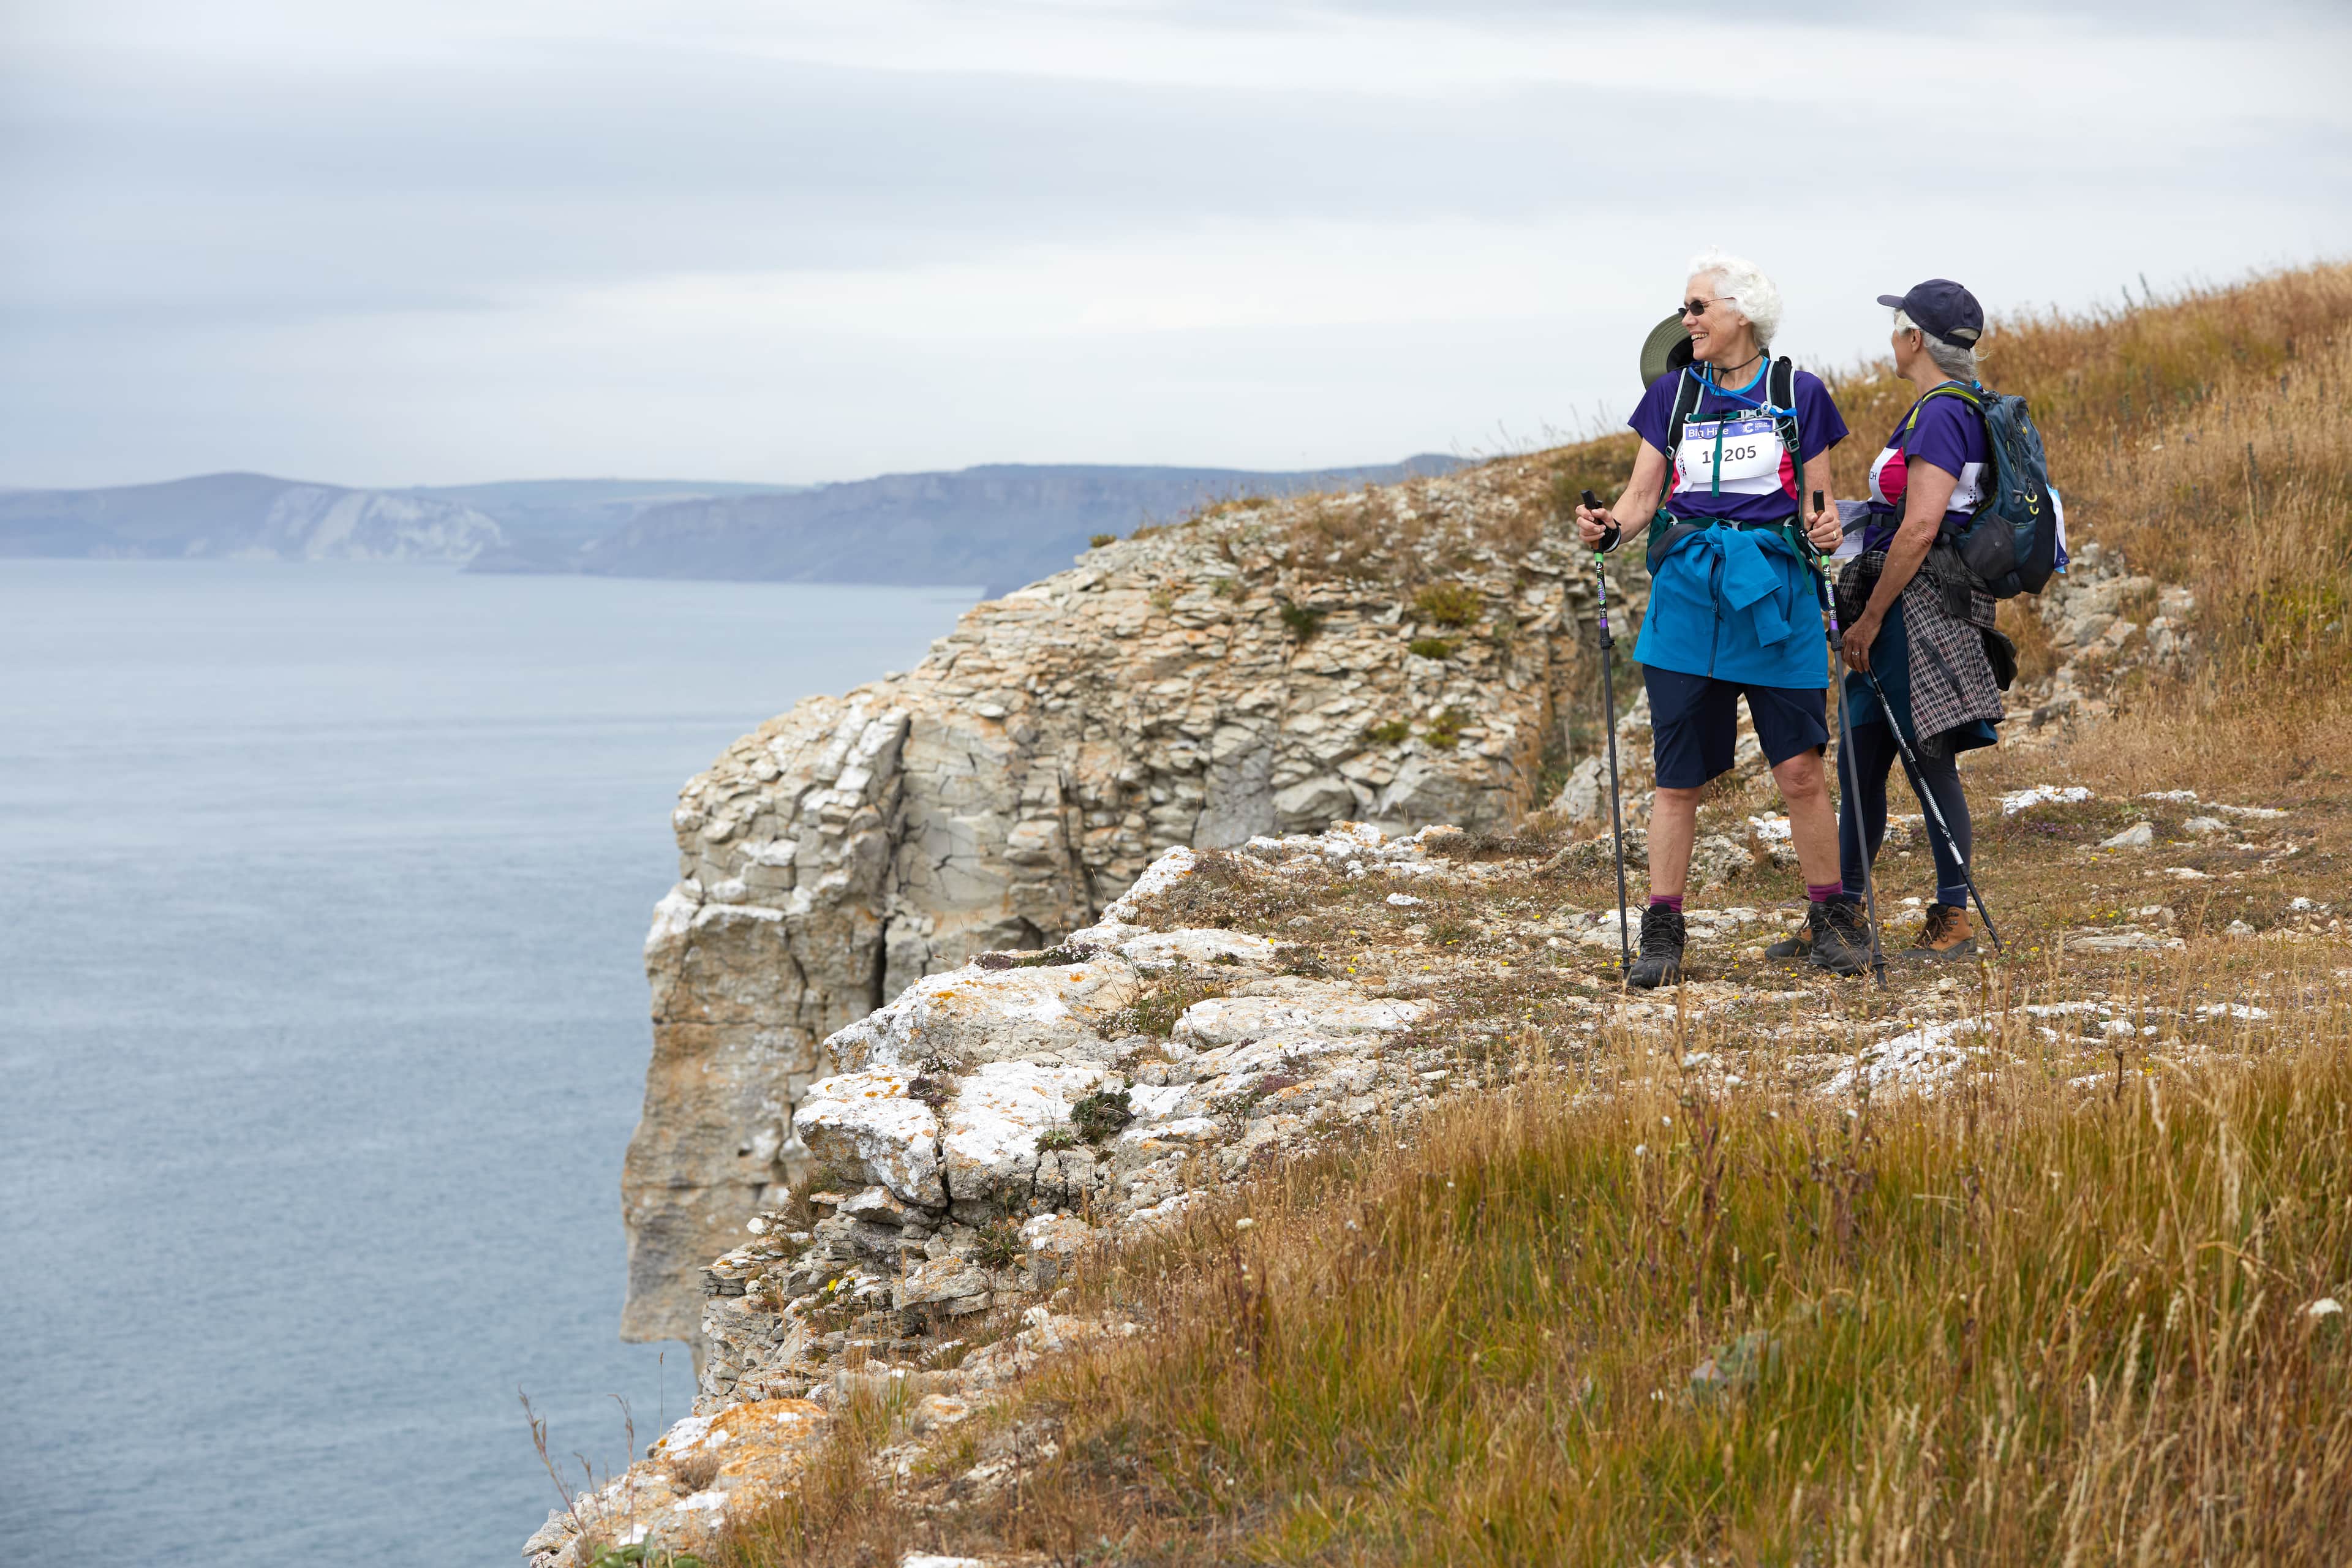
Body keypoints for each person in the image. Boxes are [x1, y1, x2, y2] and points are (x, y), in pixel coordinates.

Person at [1575, 248, 1858, 987]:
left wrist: (1825, 533)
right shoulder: (1672, 396)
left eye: (1698, 306)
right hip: (1688, 602)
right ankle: (1662, 934)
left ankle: (1831, 919)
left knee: (1800, 771)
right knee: (1678, 779)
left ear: (1743, 314)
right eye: (1686, 308)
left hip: (1774, 597)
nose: (1687, 319)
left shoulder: (1799, 391)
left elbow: (1818, 507)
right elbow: (1639, 502)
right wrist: (1608, 529)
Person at [1801, 279, 2008, 962]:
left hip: (1916, 611)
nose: (1890, 337)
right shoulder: (1934, 409)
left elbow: (1920, 528)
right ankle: (1842, 913)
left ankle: (1953, 917)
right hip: (1901, 606)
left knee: (1927, 758)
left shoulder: (1943, 415)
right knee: (1864, 756)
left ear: (1916, 339)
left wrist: (1870, 619)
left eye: (1897, 327)